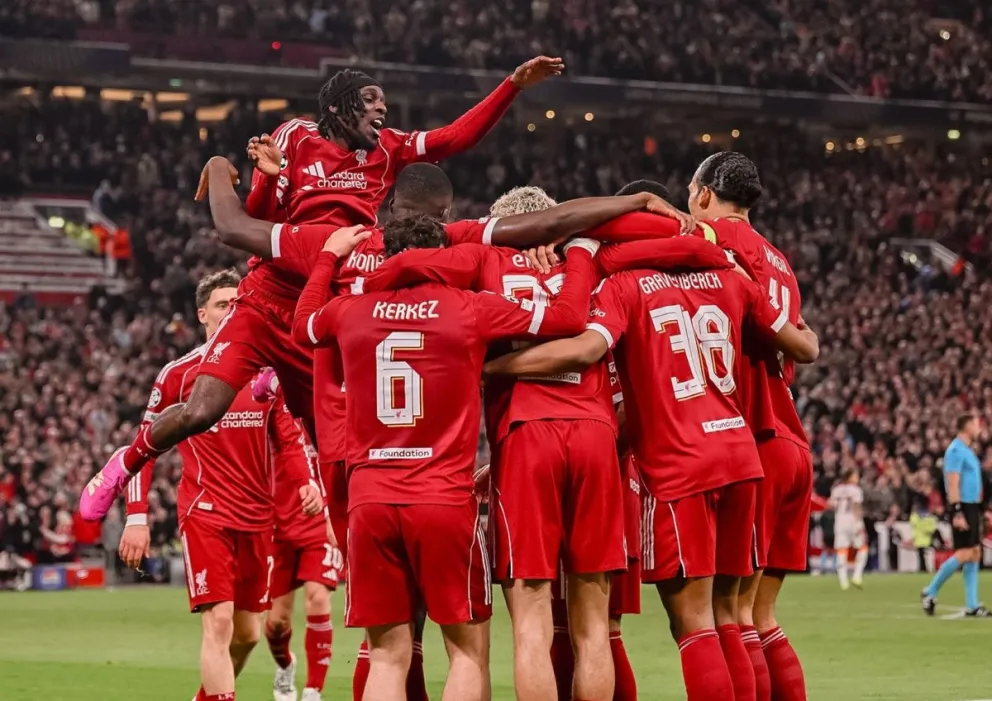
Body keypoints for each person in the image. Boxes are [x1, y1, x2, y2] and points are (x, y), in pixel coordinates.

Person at [78, 56, 564, 524]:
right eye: (371, 101)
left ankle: (356, 566)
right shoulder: (296, 136)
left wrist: (512, 85)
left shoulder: (388, 148)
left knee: (335, 449)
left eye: (384, 104)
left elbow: (454, 138)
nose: (382, 111)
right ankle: (126, 463)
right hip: (270, 290)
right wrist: (269, 180)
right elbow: (261, 214)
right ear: (337, 106)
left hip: (325, 304)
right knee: (202, 411)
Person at [483, 251, 818, 701]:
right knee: (733, 616)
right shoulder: (727, 277)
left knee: (687, 623)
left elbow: (587, 350)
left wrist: (485, 369)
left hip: (676, 460)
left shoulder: (624, 286)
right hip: (740, 451)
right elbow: (806, 347)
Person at [290, 218, 601, 701]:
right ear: (443, 254)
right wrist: (581, 251)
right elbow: (567, 319)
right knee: (467, 653)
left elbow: (301, 324)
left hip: (370, 502)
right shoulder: (470, 308)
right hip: (442, 501)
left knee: (388, 658)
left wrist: (328, 256)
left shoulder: (349, 310)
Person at [590, 154, 816, 701]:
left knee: (715, 619)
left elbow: (627, 236)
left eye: (688, 196)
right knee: (750, 615)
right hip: (776, 436)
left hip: (735, 433)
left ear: (705, 195)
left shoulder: (711, 240)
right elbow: (805, 343)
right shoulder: (776, 260)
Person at [116, 269, 323, 701]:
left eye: (237, 304)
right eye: (221, 305)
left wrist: (306, 482)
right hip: (205, 512)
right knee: (220, 622)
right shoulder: (180, 374)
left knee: (247, 634)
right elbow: (144, 446)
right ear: (202, 315)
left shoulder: (266, 373)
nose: (231, 311)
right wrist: (137, 518)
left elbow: (288, 437)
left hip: (258, 518)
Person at [921, 413, 989, 617]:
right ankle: (930, 591)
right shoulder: (955, 450)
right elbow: (952, 482)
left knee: (975, 553)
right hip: (963, 506)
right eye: (977, 425)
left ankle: (972, 604)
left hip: (973, 506)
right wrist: (957, 511)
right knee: (964, 553)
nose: (980, 429)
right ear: (967, 426)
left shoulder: (967, 450)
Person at [830, 470, 868, 590]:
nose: (857, 478)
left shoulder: (836, 489)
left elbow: (832, 505)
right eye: (855, 475)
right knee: (862, 547)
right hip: (852, 521)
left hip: (840, 521)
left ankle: (843, 581)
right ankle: (857, 575)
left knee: (842, 550)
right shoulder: (856, 490)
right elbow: (857, 506)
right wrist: (859, 524)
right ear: (850, 477)